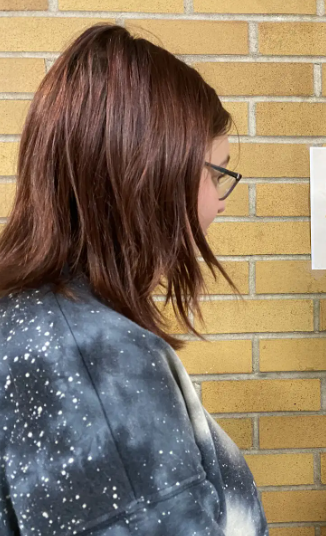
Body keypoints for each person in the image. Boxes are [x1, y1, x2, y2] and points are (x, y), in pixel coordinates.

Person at [0, 25, 267, 535]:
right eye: (216, 173)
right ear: (151, 174)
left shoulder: (33, 315)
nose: (221, 200)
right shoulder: (90, 360)